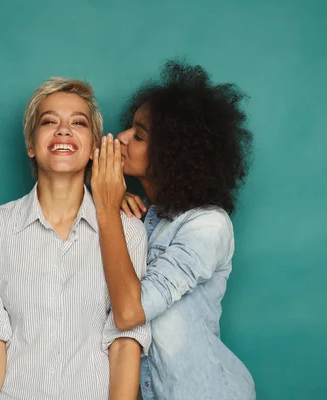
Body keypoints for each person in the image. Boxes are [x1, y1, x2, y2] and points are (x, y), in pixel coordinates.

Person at [0, 77, 151, 400]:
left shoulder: (128, 232)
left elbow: (124, 344)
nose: (63, 130)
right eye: (49, 122)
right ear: (31, 145)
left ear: (93, 148)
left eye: (78, 122)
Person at [90, 60, 256, 400]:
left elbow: (130, 312)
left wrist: (107, 205)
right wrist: (111, 197)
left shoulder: (208, 225)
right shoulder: (142, 218)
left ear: (171, 154)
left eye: (138, 136)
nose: (120, 139)